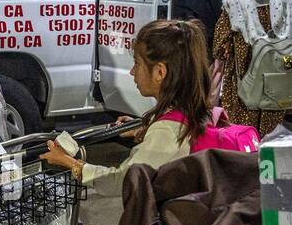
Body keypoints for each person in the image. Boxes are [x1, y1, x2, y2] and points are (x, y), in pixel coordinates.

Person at [40, 18, 209, 194]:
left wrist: (70, 163)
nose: (132, 71)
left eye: (137, 63)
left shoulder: (167, 130)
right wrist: (143, 130)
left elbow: (122, 181)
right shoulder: (190, 109)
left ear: (160, 72)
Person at [212, 0, 292, 136]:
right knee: (270, 135)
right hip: (276, 86)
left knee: (242, 137)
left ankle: (246, 164)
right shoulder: (285, 2)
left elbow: (218, 47)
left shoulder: (235, 5)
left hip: (244, 89)